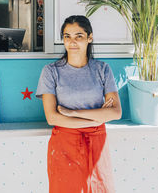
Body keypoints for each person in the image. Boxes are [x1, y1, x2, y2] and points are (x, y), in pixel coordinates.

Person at [36, 15, 122, 193]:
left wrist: (73, 113)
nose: (72, 42)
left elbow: (115, 113)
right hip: (64, 144)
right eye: (67, 36)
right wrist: (96, 118)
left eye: (79, 36)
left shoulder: (102, 69)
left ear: (90, 38)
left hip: (97, 143)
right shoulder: (51, 71)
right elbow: (52, 118)